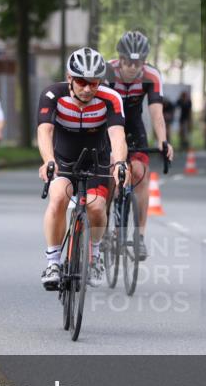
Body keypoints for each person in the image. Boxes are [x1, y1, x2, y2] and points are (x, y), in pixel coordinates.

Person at [38, 47, 127, 290]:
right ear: (69, 78)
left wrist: (120, 163)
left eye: (94, 83)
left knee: (96, 207)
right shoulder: (52, 95)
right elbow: (44, 131)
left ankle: (94, 256)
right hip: (63, 159)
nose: (87, 89)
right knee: (58, 198)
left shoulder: (111, 98)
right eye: (81, 82)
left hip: (97, 160)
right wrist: (48, 160)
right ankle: (53, 262)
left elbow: (117, 135)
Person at [107, 30, 173, 260]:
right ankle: (104, 228)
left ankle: (140, 237)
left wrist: (163, 141)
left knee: (141, 174)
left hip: (134, 126)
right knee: (108, 174)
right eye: (128, 62)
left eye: (138, 63)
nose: (133, 68)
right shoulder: (106, 72)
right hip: (107, 125)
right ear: (120, 59)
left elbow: (156, 113)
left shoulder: (151, 75)